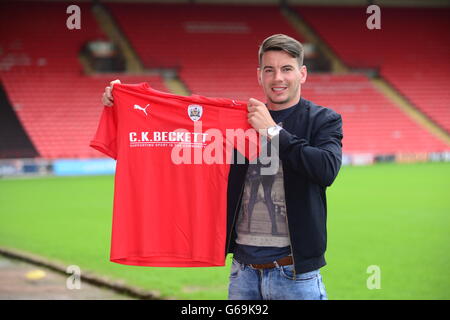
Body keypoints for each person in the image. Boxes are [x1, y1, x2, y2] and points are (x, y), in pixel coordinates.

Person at [101, 34, 343, 300]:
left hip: (295, 274)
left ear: (302, 73)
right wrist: (124, 102)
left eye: (287, 69)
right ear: (259, 75)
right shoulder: (237, 121)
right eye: (269, 70)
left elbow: (326, 169)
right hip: (243, 274)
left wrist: (272, 132)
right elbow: (177, 134)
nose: (278, 78)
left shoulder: (323, 120)